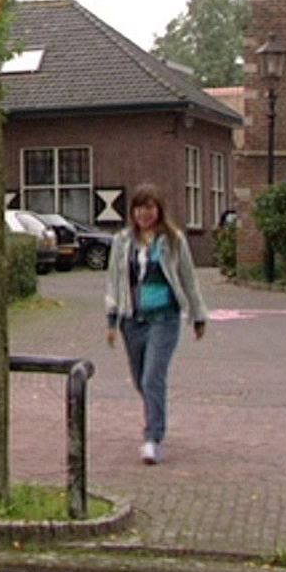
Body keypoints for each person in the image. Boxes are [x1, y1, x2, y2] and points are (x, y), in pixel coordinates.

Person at [104, 183, 208, 465]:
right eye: (139, 208)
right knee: (141, 379)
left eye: (149, 207)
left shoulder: (174, 240)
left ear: (159, 210)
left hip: (164, 318)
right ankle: (155, 412)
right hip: (132, 320)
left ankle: (153, 437)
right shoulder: (122, 242)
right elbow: (114, 281)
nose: (144, 213)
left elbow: (188, 278)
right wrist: (112, 319)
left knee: (152, 377)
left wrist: (198, 316)